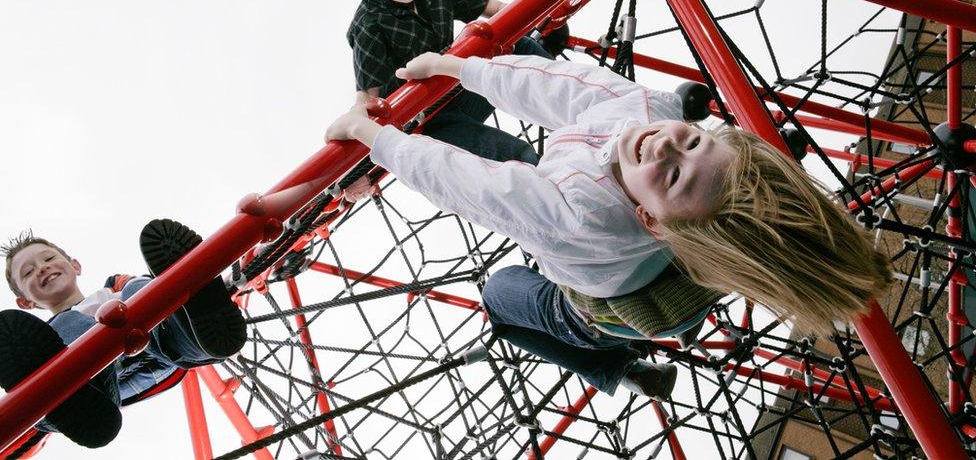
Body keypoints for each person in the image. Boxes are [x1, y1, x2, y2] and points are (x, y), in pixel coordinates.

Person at [325, 52, 894, 399]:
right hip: (651, 257)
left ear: (652, 219)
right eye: (694, 142)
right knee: (532, 190)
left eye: (672, 177)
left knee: (500, 292)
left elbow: (472, 188)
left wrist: (373, 136)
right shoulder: (656, 113)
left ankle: (613, 363)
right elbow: (561, 88)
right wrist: (459, 69)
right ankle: (630, 362)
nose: (669, 145)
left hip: (603, 310)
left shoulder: (577, 217)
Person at [344, 0, 553, 198]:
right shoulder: (369, 25)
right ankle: (558, 218)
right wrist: (354, 173)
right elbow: (366, 103)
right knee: (519, 155)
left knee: (522, 47)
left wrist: (546, 19)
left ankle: (580, 123)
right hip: (431, 124)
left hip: (462, 89)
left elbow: (504, 11)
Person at [0, 219, 246, 449]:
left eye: (48, 258)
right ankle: (77, 406)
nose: (42, 268)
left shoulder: (114, 289)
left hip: (159, 345)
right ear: (25, 302)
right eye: (28, 272)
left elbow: (140, 287)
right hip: (104, 382)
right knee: (61, 334)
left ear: (75, 265)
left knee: (137, 288)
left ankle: (199, 320)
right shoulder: (44, 338)